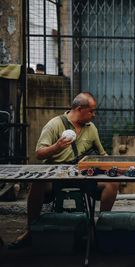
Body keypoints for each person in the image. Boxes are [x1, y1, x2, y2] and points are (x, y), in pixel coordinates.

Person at [9, 92, 119, 249]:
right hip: (57, 176)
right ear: (80, 109)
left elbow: (102, 155)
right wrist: (56, 147)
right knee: (37, 183)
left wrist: (114, 164)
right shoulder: (54, 124)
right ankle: (31, 229)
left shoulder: (91, 128)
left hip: (83, 176)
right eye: (91, 111)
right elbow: (39, 153)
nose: (94, 115)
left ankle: (100, 228)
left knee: (112, 183)